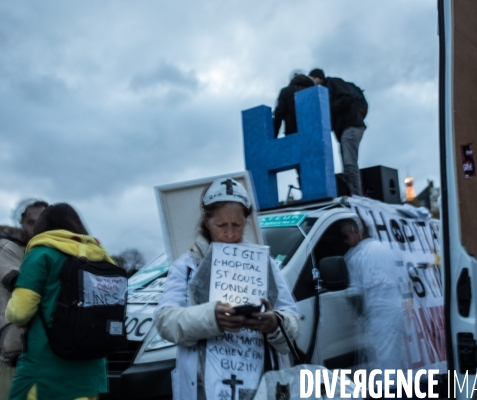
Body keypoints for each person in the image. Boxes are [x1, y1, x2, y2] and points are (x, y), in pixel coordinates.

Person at [154, 178, 300, 400]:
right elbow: (165, 321)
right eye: (221, 225)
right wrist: (212, 318)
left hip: (259, 385)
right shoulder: (186, 265)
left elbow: (293, 319)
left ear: (247, 221)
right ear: (206, 221)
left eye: (238, 225)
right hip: (203, 388)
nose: (230, 233)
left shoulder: (264, 263)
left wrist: (275, 323)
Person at [5, 203, 110, 400]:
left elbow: (20, 312)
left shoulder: (41, 254)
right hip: (91, 368)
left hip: (46, 368)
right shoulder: (101, 256)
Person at [0, 199, 47, 400]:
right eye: (31, 222)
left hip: (39, 356)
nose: (37, 228)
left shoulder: (43, 253)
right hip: (10, 356)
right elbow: (22, 285)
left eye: (43, 222)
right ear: (21, 223)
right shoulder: (6, 248)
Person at [339, 218, 408, 382]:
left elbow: (354, 295)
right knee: (398, 362)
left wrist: (361, 319)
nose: (344, 241)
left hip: (378, 317)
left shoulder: (355, 256)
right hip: (398, 311)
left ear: (356, 231)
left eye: (345, 236)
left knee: (384, 365)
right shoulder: (384, 248)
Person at [309, 68, 367, 196]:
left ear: (320, 77)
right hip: (343, 130)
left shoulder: (334, 82)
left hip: (351, 126)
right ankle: (354, 195)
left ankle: (358, 197)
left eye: (313, 78)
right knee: (347, 167)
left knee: (350, 164)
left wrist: (329, 107)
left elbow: (348, 97)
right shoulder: (322, 93)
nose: (312, 81)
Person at [273, 71, 315, 138]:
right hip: (312, 133)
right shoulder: (313, 91)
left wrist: (274, 136)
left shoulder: (286, 91)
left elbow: (279, 113)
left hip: (292, 133)